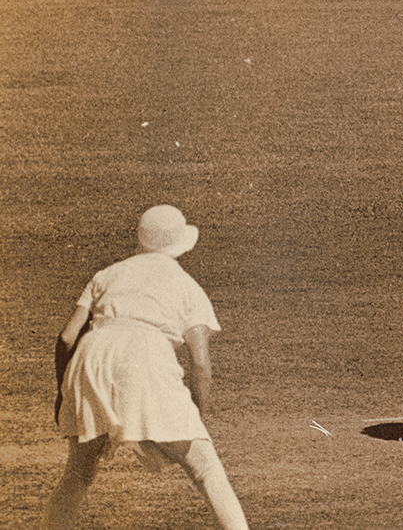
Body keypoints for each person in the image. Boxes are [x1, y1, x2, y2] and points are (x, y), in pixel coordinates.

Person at [42, 205, 248, 530]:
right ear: (179, 244)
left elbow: (68, 337)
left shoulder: (107, 274)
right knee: (206, 468)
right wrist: (195, 419)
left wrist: (62, 393)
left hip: (91, 355)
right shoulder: (188, 287)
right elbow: (201, 363)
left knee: (78, 473)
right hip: (144, 356)